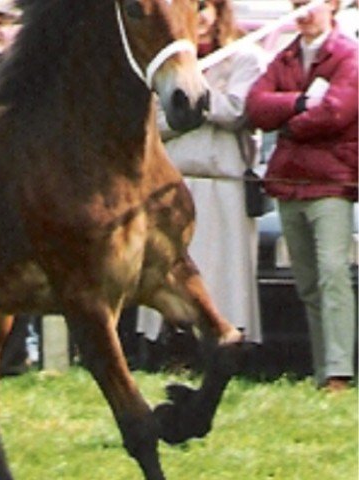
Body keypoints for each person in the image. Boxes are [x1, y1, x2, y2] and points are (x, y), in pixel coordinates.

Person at [133, 0, 266, 371]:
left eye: (203, 7)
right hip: (173, 181)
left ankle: (225, 347)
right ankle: (175, 346)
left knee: (221, 271)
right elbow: (155, 122)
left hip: (221, 181)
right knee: (169, 267)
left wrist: (198, 98)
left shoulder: (244, 58)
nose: (200, 19)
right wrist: (187, 107)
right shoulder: (162, 64)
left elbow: (238, 110)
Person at [246, 0, 358, 392]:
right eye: (296, 5)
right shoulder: (286, 56)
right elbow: (255, 105)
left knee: (333, 274)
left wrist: (288, 124)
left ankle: (340, 373)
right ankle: (321, 369)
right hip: (289, 183)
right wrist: (297, 103)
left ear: (332, 6)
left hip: (332, 185)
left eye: (309, 4)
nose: (302, 13)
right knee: (307, 282)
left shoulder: (348, 55)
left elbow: (337, 111)